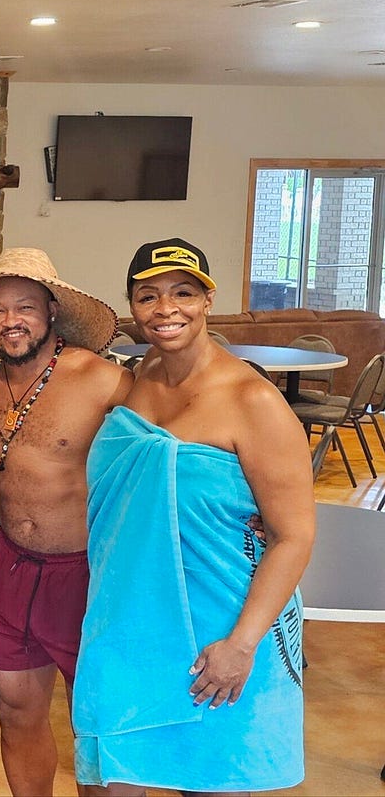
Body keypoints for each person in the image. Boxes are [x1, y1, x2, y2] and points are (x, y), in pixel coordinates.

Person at [74, 239, 313, 794]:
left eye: (183, 293)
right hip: (129, 618)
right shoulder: (144, 372)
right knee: (119, 776)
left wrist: (242, 645)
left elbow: (294, 536)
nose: (166, 309)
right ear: (132, 305)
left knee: (215, 778)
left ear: (208, 299)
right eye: (148, 296)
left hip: (224, 623)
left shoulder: (253, 400)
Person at [0, 246, 131, 796]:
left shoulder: (104, 381)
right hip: (8, 568)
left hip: (86, 574)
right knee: (15, 710)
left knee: (98, 725)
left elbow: (169, 459)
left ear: (52, 311)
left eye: (25, 307)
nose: (11, 320)